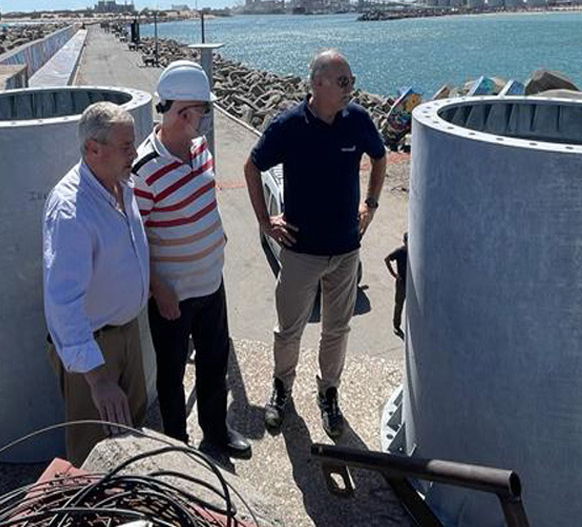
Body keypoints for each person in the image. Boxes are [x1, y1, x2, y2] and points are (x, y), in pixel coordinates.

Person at [244, 49, 387, 437]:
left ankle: (329, 392)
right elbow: (252, 166)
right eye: (343, 82)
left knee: (337, 330)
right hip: (300, 252)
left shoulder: (357, 120)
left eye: (352, 81)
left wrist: (370, 205)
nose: (351, 89)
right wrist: (264, 220)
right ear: (317, 84)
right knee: (289, 331)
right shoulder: (290, 125)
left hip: (345, 251)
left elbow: (380, 156)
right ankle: (281, 389)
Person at [132, 60, 251, 457]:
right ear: (183, 113)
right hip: (172, 297)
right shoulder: (144, 171)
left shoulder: (200, 149)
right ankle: (178, 445)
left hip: (210, 283)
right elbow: (136, 239)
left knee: (214, 362)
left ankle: (215, 431)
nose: (205, 120)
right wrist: (158, 287)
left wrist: (216, 234)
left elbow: (204, 197)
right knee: (171, 374)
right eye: (203, 111)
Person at [43, 102, 150, 466]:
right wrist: (98, 379)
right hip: (92, 351)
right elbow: (62, 303)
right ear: (93, 149)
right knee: (94, 452)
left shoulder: (120, 182)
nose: (134, 153)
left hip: (125, 334)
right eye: (126, 147)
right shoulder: (71, 210)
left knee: (131, 434)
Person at [384, 232, 408, 339]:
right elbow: (387, 259)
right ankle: (396, 325)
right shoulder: (400, 252)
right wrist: (394, 274)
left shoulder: (414, 251)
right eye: (407, 242)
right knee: (399, 304)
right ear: (404, 242)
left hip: (411, 284)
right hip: (402, 282)